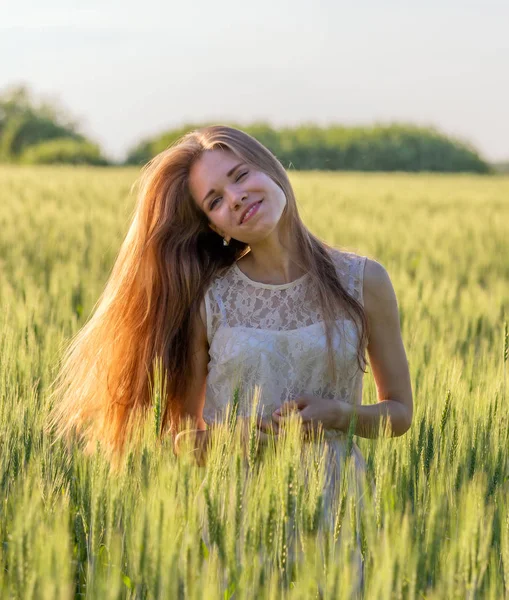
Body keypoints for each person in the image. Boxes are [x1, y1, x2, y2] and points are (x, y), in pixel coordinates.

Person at [47, 124, 413, 590]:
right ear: (214, 228)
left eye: (240, 176)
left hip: (337, 511)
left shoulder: (364, 281)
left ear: (271, 169)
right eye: (215, 201)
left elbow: (399, 413)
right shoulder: (210, 300)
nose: (235, 198)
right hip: (236, 515)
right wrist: (228, 439)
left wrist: (338, 415)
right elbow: (177, 437)